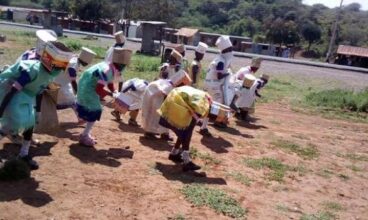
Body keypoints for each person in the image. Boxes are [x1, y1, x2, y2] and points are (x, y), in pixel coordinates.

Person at [0, 41, 73, 169]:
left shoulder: (49, 75)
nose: (60, 69)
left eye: (62, 66)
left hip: (27, 96)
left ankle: (24, 154)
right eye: (59, 66)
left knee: (30, 123)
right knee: (15, 122)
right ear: (51, 60)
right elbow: (13, 89)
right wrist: (1, 109)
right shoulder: (32, 70)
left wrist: (38, 111)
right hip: (11, 92)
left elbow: (39, 91)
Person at [77, 48, 132, 147]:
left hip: (86, 84)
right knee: (95, 110)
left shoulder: (110, 66)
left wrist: (114, 91)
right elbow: (99, 89)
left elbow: (110, 83)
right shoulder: (108, 71)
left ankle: (85, 132)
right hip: (88, 88)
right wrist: (111, 95)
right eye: (124, 66)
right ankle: (84, 135)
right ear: (121, 65)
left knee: (93, 109)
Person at [158, 86, 211, 171]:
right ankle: (186, 161)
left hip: (173, 100)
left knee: (183, 129)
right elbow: (197, 115)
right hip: (176, 103)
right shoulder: (203, 103)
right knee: (187, 132)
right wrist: (197, 118)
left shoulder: (201, 96)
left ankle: (174, 153)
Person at [142, 69, 191, 140]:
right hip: (154, 96)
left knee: (165, 115)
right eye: (182, 84)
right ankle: (149, 132)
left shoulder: (171, 84)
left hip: (157, 96)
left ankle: (164, 133)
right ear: (179, 81)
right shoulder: (169, 86)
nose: (182, 85)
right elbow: (166, 98)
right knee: (156, 114)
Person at [200, 35, 233, 134]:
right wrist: (228, 73)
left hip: (210, 84)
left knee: (208, 105)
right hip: (213, 86)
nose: (231, 51)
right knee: (213, 107)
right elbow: (219, 76)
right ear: (226, 50)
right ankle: (204, 127)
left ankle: (201, 123)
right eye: (230, 49)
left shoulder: (219, 58)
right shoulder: (221, 61)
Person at [54, 47, 96, 122]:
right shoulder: (74, 65)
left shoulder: (74, 59)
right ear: (84, 60)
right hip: (60, 84)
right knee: (72, 101)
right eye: (86, 63)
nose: (86, 64)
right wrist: (77, 92)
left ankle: (80, 117)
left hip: (60, 81)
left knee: (72, 101)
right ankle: (81, 117)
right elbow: (73, 81)